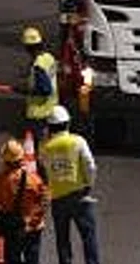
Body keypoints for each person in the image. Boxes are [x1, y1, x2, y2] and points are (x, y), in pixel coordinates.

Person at [38, 105, 100, 264]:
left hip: (58, 199)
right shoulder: (78, 141)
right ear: (68, 123)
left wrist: (46, 138)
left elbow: (43, 168)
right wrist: (89, 184)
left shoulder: (45, 148)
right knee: (88, 236)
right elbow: (90, 165)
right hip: (79, 195)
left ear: (49, 127)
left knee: (62, 238)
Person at [0, 138, 49, 264]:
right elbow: (44, 201)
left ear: (4, 160)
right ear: (22, 158)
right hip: (33, 227)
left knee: (12, 258)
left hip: (12, 228)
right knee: (32, 259)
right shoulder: (34, 180)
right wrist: (34, 220)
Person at [14, 25, 59, 152]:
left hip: (39, 112)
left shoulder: (38, 66)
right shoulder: (49, 58)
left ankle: (41, 169)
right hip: (51, 107)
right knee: (47, 143)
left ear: (27, 47)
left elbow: (45, 90)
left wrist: (25, 91)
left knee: (40, 146)